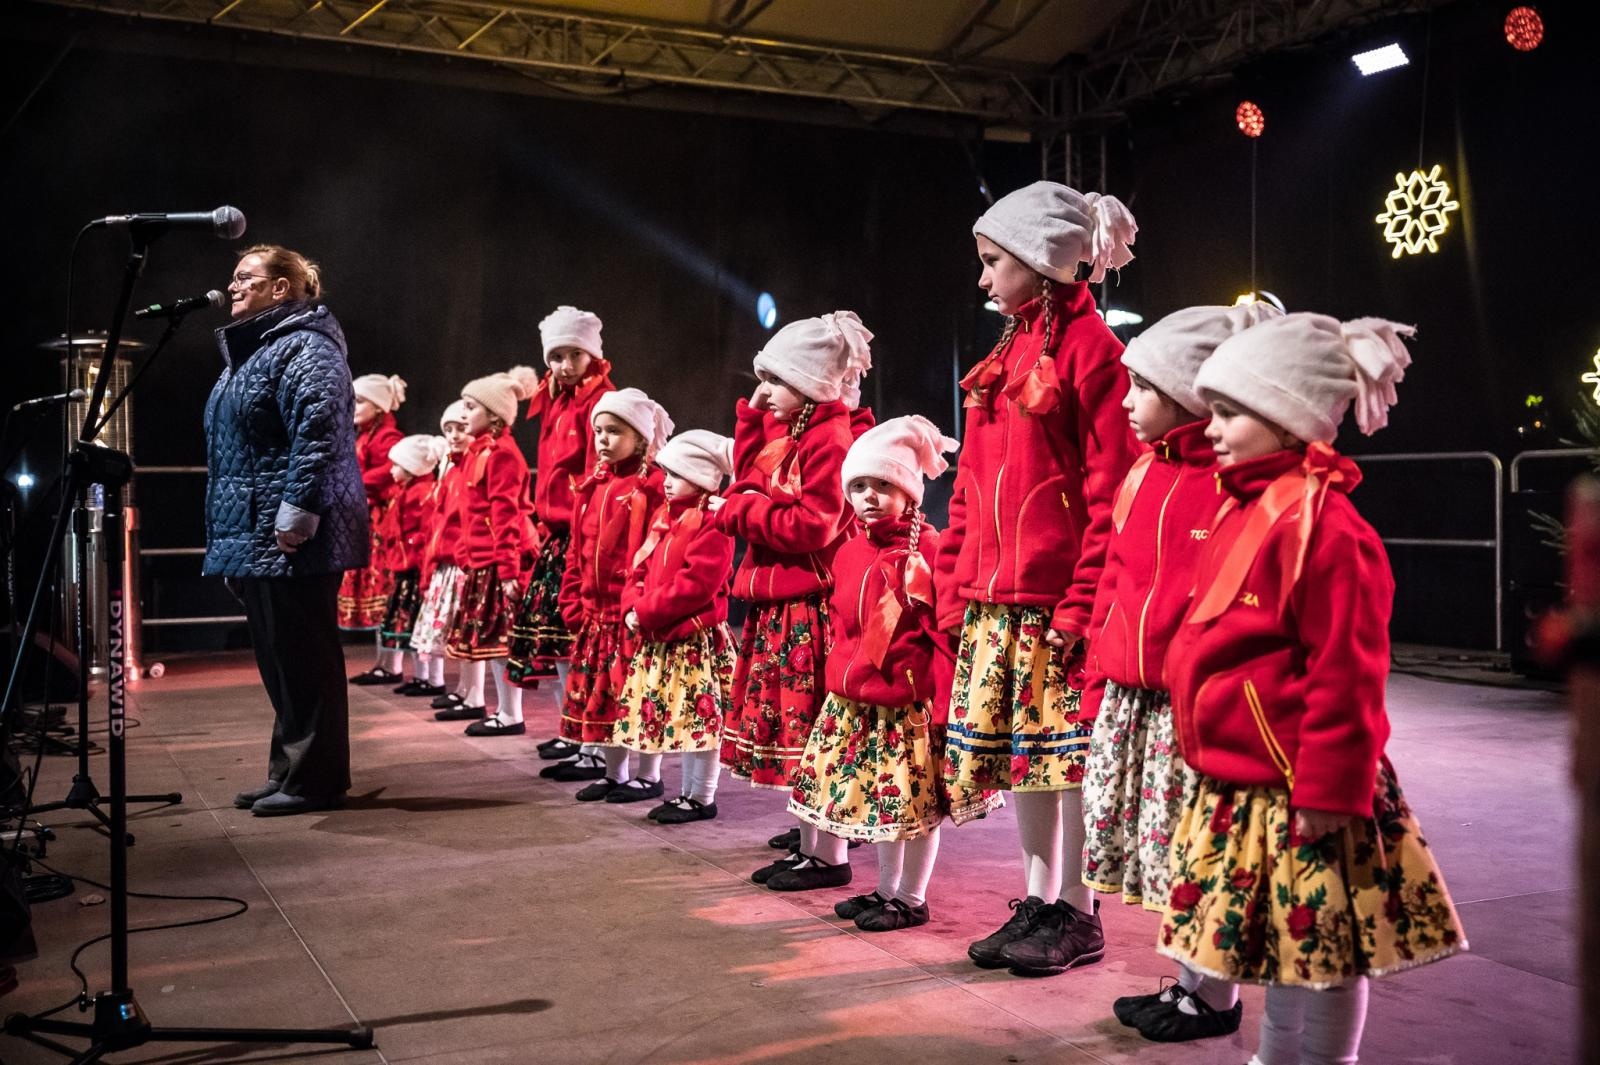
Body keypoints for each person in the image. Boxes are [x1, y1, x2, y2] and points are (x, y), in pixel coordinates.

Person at [1158, 313, 1466, 1064]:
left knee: (1324, 945)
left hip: (1306, 787)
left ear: (1287, 417)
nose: (1211, 429)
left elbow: (1347, 669)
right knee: (1281, 938)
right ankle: (1275, 1053)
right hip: (1245, 781)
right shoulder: (1242, 508)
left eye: (1230, 412)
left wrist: (1331, 783)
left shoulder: (1325, 527)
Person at [935, 180, 1141, 976]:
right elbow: (968, 491)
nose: (984, 279)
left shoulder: (1094, 355)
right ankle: (1039, 897)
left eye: (994, 262)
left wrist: (1083, 603)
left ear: (1041, 263)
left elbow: (1110, 491)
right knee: (1027, 760)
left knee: (1067, 761)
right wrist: (955, 590)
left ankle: (1081, 911)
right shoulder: (1008, 351)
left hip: (1055, 605)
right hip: (997, 605)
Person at [1078, 303, 1280, 1042]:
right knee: (1167, 851)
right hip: (1135, 697)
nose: (1126, 403)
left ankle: (1215, 994)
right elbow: (1112, 575)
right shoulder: (1142, 474)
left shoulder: (1223, 485)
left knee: (1198, 848)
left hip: (1185, 704)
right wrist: (1100, 662)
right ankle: (1192, 982)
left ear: (1190, 392)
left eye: (1142, 387)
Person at [787, 416, 1000, 920]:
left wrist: (945, 706)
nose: (869, 496)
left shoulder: (927, 551)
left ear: (909, 492)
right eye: (858, 486)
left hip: (906, 710)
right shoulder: (849, 553)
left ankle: (912, 897)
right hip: (859, 704)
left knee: (917, 809)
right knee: (885, 809)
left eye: (884, 485)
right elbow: (844, 628)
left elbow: (945, 637)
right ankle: (886, 889)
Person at [709, 312, 875, 887]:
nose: (764, 392)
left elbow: (814, 525)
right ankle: (812, 843)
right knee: (794, 728)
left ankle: (828, 856)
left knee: (811, 731)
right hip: (782, 605)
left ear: (808, 386)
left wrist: (737, 513)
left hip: (808, 606)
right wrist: (755, 416)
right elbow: (748, 476)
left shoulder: (829, 437)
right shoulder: (797, 433)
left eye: (776, 381)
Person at [204, 243, 363, 816]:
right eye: (234, 276)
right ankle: (290, 771)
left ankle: (316, 780)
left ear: (282, 288)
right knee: (280, 659)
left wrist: (299, 507)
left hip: (291, 531)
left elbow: (318, 430)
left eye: (247, 277)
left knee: (304, 655)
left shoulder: (306, 346)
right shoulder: (254, 353)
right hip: (257, 531)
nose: (234, 285)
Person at [508, 307, 618, 767]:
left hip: (583, 534)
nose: (565, 365)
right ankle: (572, 733)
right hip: (556, 534)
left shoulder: (602, 401)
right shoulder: (554, 399)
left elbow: (598, 471)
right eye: (556, 356)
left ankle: (593, 744)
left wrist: (587, 532)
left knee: (580, 643)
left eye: (574, 354)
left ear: (592, 354)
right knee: (555, 641)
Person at [552, 388, 671, 800]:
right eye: (598, 430)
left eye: (614, 431)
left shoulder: (653, 485)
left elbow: (657, 550)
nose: (602, 439)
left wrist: (641, 604)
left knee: (636, 695)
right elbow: (576, 549)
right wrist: (572, 598)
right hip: (595, 613)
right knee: (603, 698)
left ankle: (649, 774)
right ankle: (614, 771)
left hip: (629, 614)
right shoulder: (592, 486)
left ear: (639, 438)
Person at [615, 430, 737, 821]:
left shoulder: (713, 522)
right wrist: (633, 606)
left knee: (701, 722)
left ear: (701, 477)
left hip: (693, 639)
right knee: (681, 719)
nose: (666, 481)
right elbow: (642, 566)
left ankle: (702, 796)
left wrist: (647, 612)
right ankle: (686, 793)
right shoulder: (667, 516)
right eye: (665, 472)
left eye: (677, 474)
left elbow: (697, 586)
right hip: (663, 635)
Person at [444, 367, 538, 735]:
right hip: (482, 562)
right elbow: (472, 515)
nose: (464, 414)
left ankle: (511, 713)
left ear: (495, 414)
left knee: (503, 641)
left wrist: (508, 569)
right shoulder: (477, 452)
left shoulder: (502, 454)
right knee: (491, 641)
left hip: (499, 564)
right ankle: (503, 710)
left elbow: (506, 516)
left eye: (470, 407)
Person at [410, 402, 484, 717]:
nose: (454, 435)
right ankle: (464, 691)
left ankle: (475, 695)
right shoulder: (451, 468)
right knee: (457, 634)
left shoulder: (472, 467)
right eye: (449, 429)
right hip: (447, 562)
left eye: (461, 427)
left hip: (462, 562)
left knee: (468, 632)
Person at [377, 434, 449, 697]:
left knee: (422, 625)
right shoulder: (403, 492)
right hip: (406, 569)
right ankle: (422, 677)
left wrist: (412, 551)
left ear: (411, 468)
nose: (391, 470)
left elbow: (425, 531)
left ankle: (433, 678)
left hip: (417, 570)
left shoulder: (421, 494)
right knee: (413, 629)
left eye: (397, 465)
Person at [342, 373, 406, 663]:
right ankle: (383, 662)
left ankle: (390, 663)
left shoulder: (387, 437)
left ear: (379, 406)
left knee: (383, 586)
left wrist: (353, 481)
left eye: (362, 401)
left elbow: (391, 469)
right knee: (375, 586)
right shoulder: (366, 434)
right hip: (366, 518)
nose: (354, 405)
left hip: (380, 520)